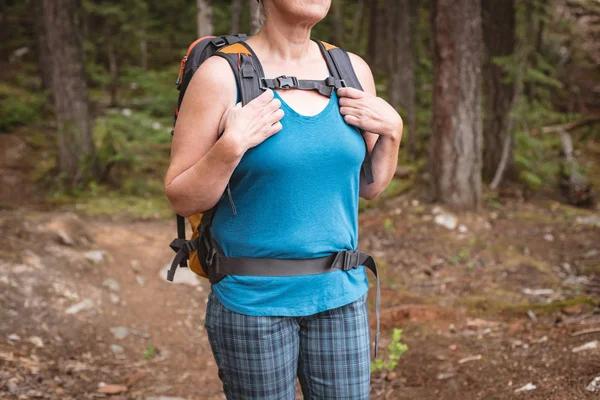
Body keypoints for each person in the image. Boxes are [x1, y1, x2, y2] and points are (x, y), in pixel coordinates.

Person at [164, 0, 403, 398]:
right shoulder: (221, 75)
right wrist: (231, 147)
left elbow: (370, 187)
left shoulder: (351, 70)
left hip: (340, 295)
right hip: (252, 301)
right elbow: (181, 197)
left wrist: (393, 134)